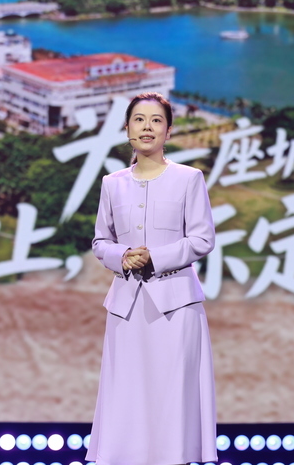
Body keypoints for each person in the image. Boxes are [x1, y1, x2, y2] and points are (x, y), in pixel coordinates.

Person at [86, 92, 218, 465]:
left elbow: (202, 239)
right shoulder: (112, 183)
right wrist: (122, 256)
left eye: (156, 120)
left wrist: (155, 258)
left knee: (173, 395)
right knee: (127, 393)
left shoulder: (189, 178)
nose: (147, 127)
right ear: (127, 128)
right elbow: (100, 241)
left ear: (168, 130)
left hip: (176, 306)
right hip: (126, 307)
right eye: (139, 120)